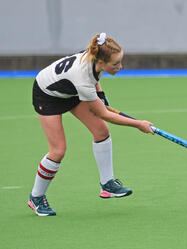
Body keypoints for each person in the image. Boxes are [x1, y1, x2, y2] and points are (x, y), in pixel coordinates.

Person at [28, 33, 154, 216]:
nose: (121, 66)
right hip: (47, 95)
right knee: (58, 150)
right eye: (116, 64)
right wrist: (138, 124)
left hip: (70, 91)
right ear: (101, 62)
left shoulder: (96, 58)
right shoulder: (82, 78)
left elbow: (95, 78)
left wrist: (101, 97)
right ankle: (36, 197)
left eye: (120, 61)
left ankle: (108, 185)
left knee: (101, 131)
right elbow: (103, 113)